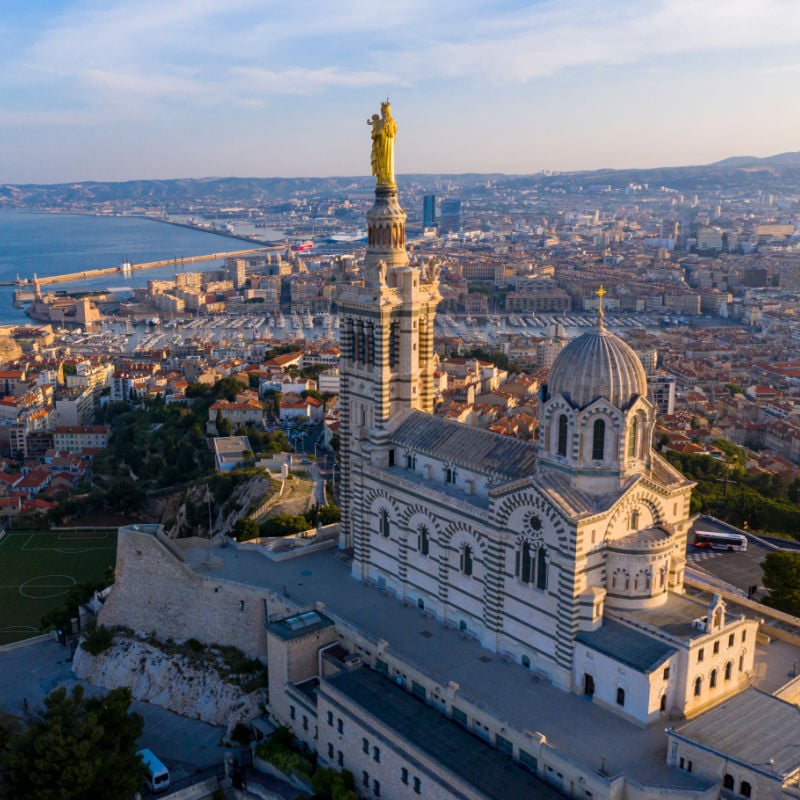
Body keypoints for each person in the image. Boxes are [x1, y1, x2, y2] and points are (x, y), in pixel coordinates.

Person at [367, 101, 397, 186]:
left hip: (388, 146)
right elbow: (375, 128)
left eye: (384, 111)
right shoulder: (379, 122)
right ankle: (382, 178)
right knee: (381, 163)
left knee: (388, 163)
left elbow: (393, 131)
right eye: (382, 112)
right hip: (380, 146)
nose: (383, 113)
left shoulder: (391, 121)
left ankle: (388, 179)